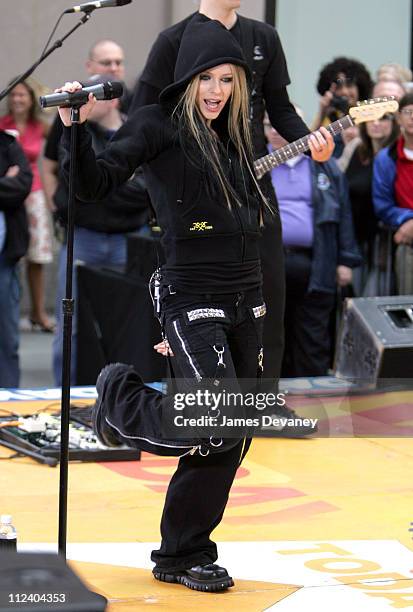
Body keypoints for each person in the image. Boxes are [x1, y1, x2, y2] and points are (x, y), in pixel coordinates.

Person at [56, 17, 334, 592]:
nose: (216, 91)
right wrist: (75, 129)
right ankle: (121, 401)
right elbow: (93, 185)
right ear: (185, 78)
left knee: (235, 429)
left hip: (246, 292)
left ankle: (183, 553)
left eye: (228, 80)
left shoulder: (233, 130)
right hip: (189, 290)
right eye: (207, 79)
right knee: (219, 420)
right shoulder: (156, 124)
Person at [129, 0, 325, 389]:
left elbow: (280, 108)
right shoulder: (173, 39)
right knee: (195, 298)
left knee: (268, 291)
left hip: (252, 183)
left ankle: (262, 400)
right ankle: (198, 400)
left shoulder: (264, 37)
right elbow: (143, 113)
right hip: (193, 191)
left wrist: (310, 140)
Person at [50, 76, 151, 385]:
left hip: (130, 239)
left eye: (92, 97)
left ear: (113, 99)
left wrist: (101, 190)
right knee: (71, 325)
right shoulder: (76, 132)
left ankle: (128, 395)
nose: (86, 104)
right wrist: (110, 187)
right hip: (84, 238)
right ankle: (62, 394)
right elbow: (74, 184)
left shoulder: (136, 132)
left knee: (131, 322)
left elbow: (145, 191)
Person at [264, 114, 360, 376]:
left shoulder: (323, 166)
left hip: (315, 262)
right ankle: (265, 402)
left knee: (313, 335)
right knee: (268, 333)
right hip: (269, 263)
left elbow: (343, 214)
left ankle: (314, 403)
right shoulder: (256, 166)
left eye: (280, 123)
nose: (274, 130)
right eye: (268, 125)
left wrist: (345, 260)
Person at [43, 39, 130, 215]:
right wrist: (57, 207)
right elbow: (49, 163)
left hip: (127, 221)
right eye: (106, 63)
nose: (113, 68)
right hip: (82, 221)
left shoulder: (134, 102)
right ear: (89, 66)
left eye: (118, 62)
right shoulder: (73, 102)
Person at [0, 79, 53, 332]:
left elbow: (55, 155)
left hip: (34, 195)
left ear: (31, 99)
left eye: (23, 95)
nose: (17, 99)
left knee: (37, 257)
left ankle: (38, 312)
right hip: (10, 198)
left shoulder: (39, 127)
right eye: (14, 95)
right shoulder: (3, 126)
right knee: (12, 254)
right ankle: (12, 309)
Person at [337, 105, 399, 296]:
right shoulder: (355, 147)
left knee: (375, 297)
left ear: (395, 123)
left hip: (384, 241)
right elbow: (337, 182)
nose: (376, 124)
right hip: (353, 237)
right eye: (371, 119)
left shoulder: (398, 153)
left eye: (384, 119)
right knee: (352, 299)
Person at [0, 129, 32, 387]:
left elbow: (22, 184)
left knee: (6, 338)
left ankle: (8, 399)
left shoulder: (7, 143)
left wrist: (10, 181)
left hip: (4, 259)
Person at [373, 92, 413, 294]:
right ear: (398, 118)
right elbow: (382, 205)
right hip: (406, 238)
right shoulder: (386, 158)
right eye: (408, 112)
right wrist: (408, 221)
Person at [312, 56, 373, 156]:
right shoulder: (327, 117)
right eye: (339, 87)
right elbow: (308, 146)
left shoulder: (370, 113)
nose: (344, 91)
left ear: (359, 87)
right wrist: (322, 112)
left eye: (349, 85)